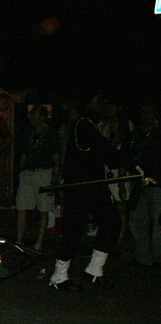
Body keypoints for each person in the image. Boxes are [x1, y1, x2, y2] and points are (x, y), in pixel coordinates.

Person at [48, 102, 122, 290]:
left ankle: (94, 270)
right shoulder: (84, 124)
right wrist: (123, 157)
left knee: (112, 221)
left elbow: (103, 152)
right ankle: (58, 277)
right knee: (73, 230)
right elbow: (105, 151)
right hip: (81, 188)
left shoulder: (87, 125)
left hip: (93, 186)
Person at [15, 105, 61, 250]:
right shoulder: (28, 133)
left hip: (44, 173)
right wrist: (21, 172)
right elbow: (23, 154)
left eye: (33, 114)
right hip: (28, 173)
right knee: (21, 207)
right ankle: (19, 240)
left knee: (43, 209)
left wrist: (53, 182)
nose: (30, 117)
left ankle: (39, 242)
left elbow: (57, 160)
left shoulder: (51, 134)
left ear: (42, 117)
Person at [128, 104, 161, 267]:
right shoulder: (135, 135)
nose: (145, 116)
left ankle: (157, 257)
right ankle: (142, 257)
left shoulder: (158, 134)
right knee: (137, 220)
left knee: (158, 222)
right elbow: (128, 156)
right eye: (143, 112)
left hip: (157, 184)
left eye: (148, 112)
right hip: (139, 183)